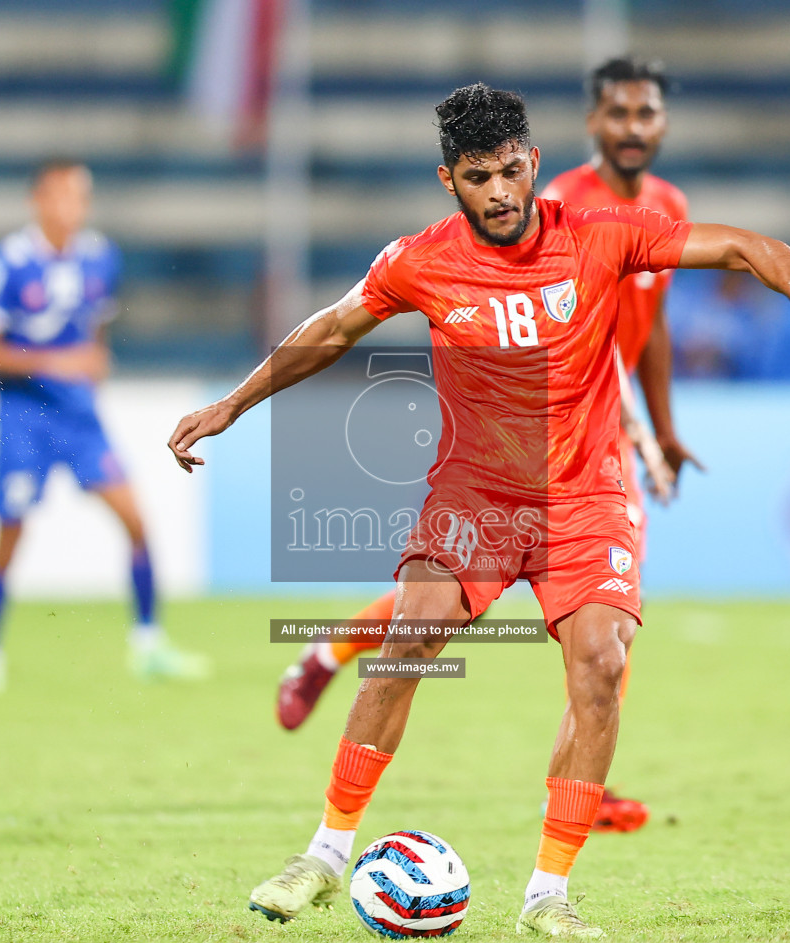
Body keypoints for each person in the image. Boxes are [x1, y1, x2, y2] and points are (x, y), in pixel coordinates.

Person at [169, 84, 790, 937]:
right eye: (480, 177)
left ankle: (548, 894)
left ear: (534, 163)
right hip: (475, 494)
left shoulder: (600, 236)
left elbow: (745, 248)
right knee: (411, 639)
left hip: (584, 494)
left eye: (512, 170)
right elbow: (330, 331)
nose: (501, 192)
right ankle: (324, 853)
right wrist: (232, 406)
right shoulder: (418, 262)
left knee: (603, 667)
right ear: (449, 181)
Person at [271, 57, 696, 836]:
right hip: (553, 429)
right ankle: (332, 653)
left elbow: (649, 327)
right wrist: (633, 422)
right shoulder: (555, 204)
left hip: (606, 424)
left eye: (648, 115)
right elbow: (561, 336)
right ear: (594, 122)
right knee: (479, 598)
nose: (635, 129)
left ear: (663, 124)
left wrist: (661, 426)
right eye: (620, 114)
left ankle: (572, 788)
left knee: (603, 631)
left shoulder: (667, 204)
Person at [0, 159, 206, 697]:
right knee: (11, 532)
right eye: (65, 196)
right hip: (23, 417)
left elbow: (92, 334)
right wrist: (57, 364)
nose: (75, 208)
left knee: (136, 519)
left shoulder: (99, 257)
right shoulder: (4, 264)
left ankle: (148, 644)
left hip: (79, 417)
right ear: (39, 201)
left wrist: (92, 365)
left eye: (82, 198)